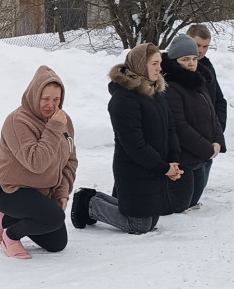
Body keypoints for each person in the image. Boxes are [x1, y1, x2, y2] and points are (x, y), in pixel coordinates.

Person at [71, 44, 191, 234]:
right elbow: (134, 145)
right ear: (140, 65)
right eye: (154, 63)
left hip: (155, 166)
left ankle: (92, 197)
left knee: (150, 220)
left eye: (159, 63)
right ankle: (90, 204)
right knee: (139, 225)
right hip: (134, 168)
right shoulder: (124, 99)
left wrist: (173, 161)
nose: (160, 68)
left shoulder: (156, 91)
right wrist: (164, 167)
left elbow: (170, 128)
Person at [0, 65, 78, 259]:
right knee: (54, 217)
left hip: (39, 192)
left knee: (57, 243)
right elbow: (36, 162)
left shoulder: (63, 120)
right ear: (35, 96)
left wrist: (61, 194)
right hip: (8, 189)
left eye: (56, 99)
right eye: (45, 99)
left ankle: (2, 220)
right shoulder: (17, 121)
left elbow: (70, 160)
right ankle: (10, 236)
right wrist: (53, 128)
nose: (51, 105)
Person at [160, 34, 225, 210]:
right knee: (179, 206)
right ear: (174, 60)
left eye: (194, 58)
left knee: (192, 202)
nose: (191, 63)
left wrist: (218, 140)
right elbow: (179, 125)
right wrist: (206, 148)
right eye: (185, 59)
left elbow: (212, 114)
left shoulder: (198, 81)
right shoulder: (170, 86)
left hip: (201, 157)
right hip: (184, 159)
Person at [186, 24, 228, 194]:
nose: (202, 51)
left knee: (199, 188)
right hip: (190, 140)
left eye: (206, 46)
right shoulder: (178, 67)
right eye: (198, 46)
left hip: (210, 136)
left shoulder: (208, 66)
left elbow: (219, 100)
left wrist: (218, 130)